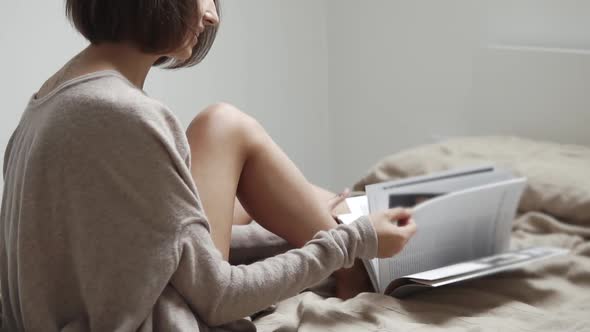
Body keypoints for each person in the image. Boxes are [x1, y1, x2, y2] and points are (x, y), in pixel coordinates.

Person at [0, 0, 416, 330]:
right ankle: (357, 269)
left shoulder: (47, 103)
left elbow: (150, 252)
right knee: (224, 125)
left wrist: (307, 235)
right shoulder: (125, 116)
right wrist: (352, 241)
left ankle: (339, 229)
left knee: (245, 157)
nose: (213, 15)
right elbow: (219, 299)